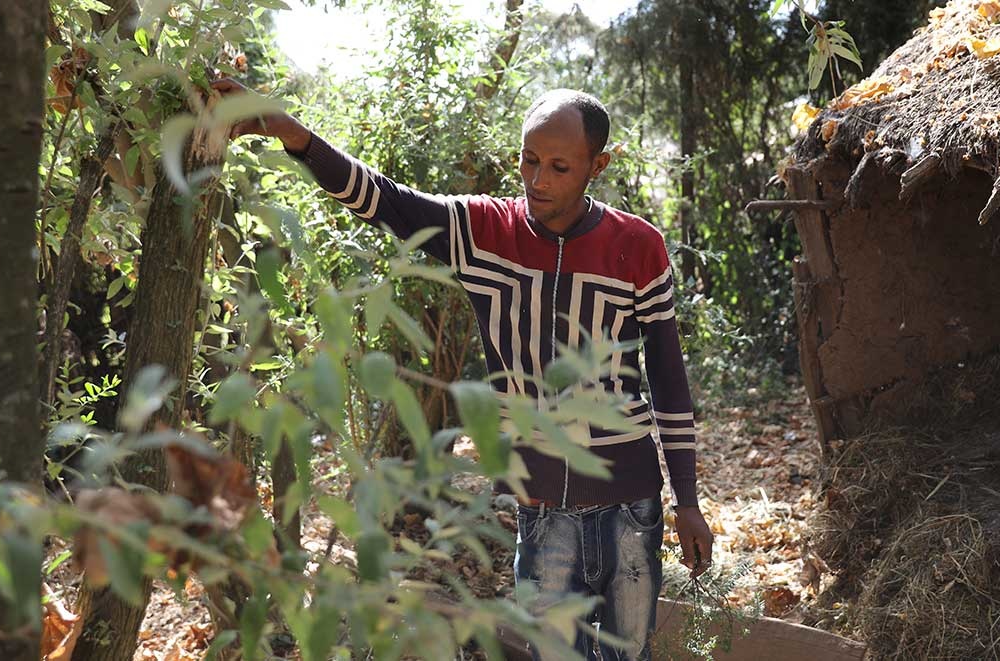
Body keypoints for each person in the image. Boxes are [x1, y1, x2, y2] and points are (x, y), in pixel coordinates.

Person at [213, 78, 714, 660]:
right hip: (542, 506)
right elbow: (384, 200)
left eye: (559, 167)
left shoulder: (639, 248)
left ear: (595, 166)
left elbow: (668, 382)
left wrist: (689, 501)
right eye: (529, 161)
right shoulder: (484, 232)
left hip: (631, 504)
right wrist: (295, 135)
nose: (538, 180)